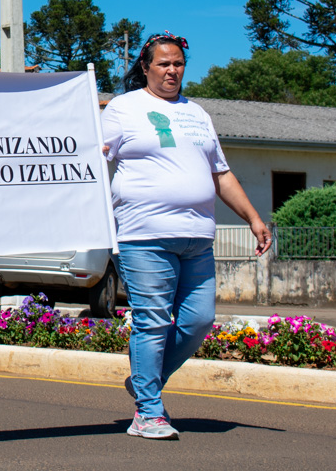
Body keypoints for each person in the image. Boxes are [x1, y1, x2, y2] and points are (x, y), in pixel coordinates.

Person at [102, 31, 271, 441]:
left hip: (197, 237)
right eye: (163, 63)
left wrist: (253, 217)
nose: (172, 70)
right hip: (145, 235)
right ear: (145, 67)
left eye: (178, 63)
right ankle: (148, 412)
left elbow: (220, 174)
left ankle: (147, 380)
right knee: (153, 322)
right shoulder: (123, 108)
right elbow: (92, 161)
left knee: (199, 321)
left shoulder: (198, 113)